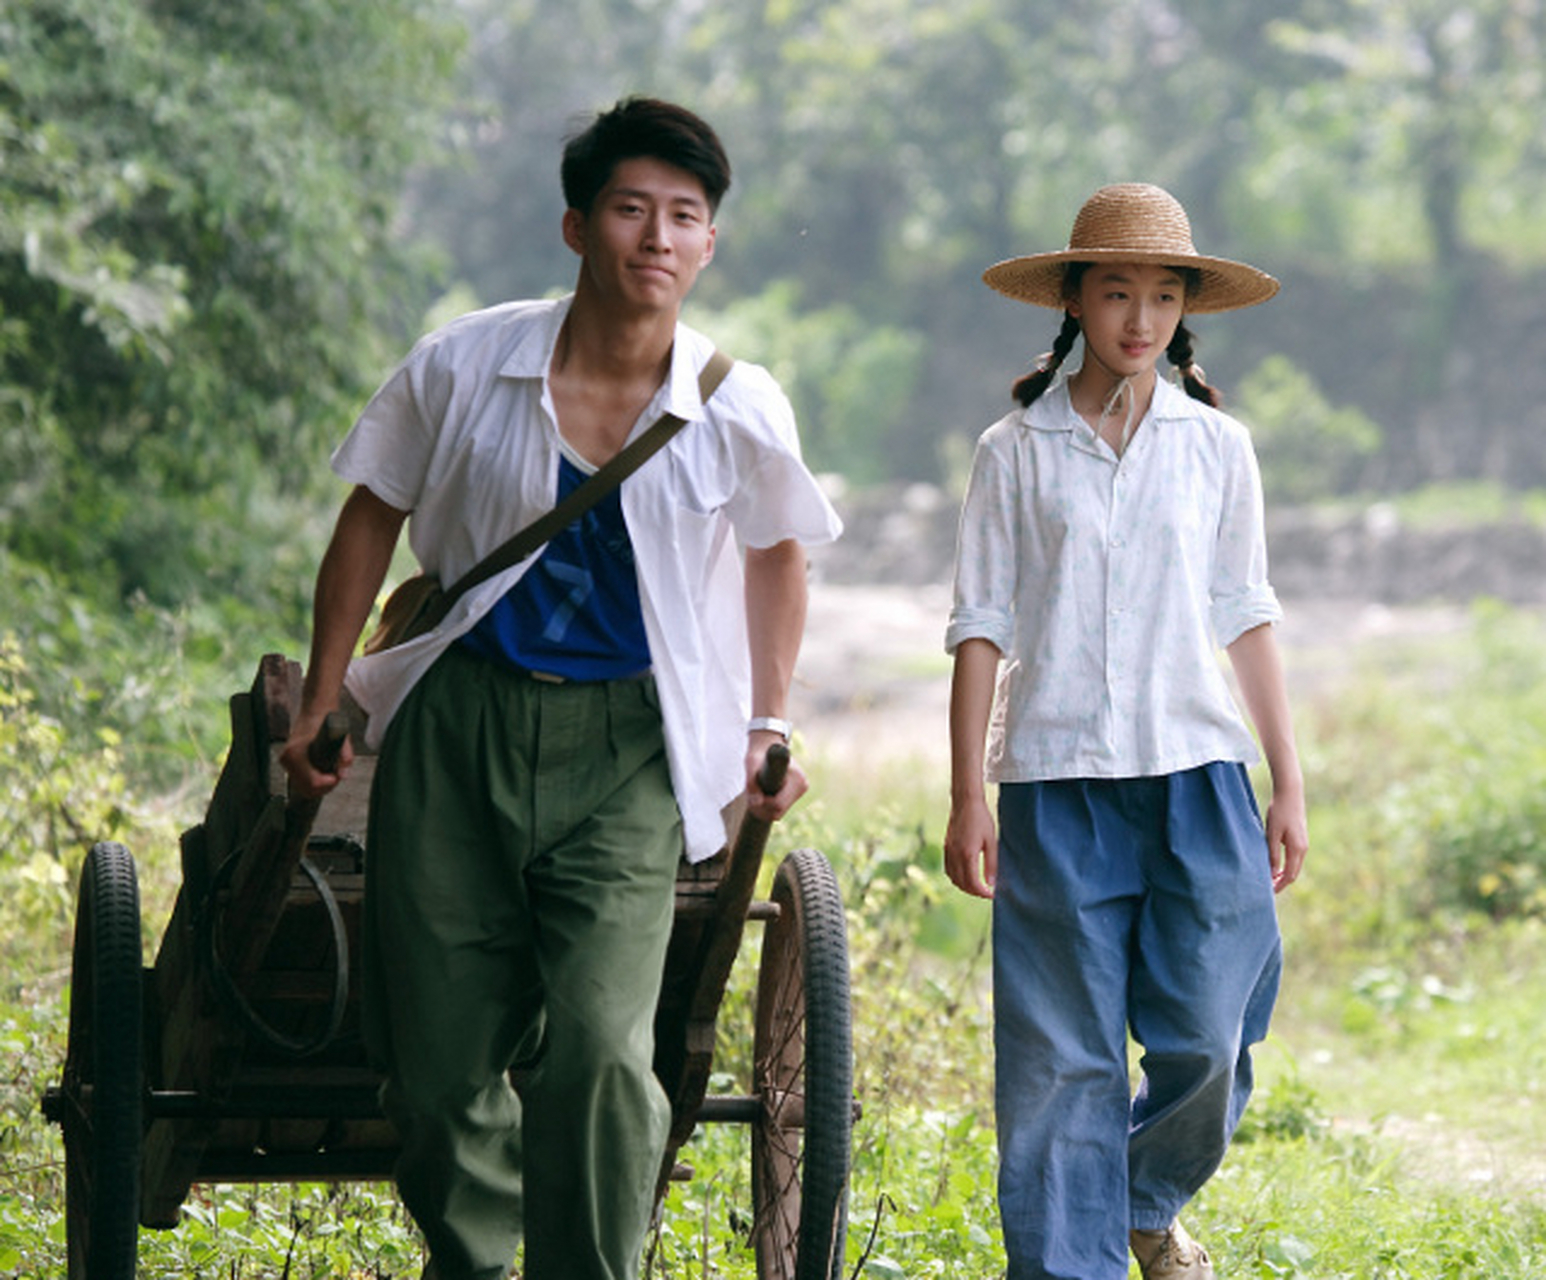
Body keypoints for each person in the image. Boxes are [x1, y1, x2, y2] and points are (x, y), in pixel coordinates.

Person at [279, 96, 841, 1280]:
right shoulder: (464, 363)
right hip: (457, 724)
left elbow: (777, 551)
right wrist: (324, 694)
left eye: (684, 217)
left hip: (629, 744)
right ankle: (478, 1263)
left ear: (709, 244)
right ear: (576, 227)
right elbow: (371, 511)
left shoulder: (737, 401)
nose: (658, 237)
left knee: (599, 1046)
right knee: (435, 1066)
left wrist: (767, 718)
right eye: (631, 209)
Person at [942, 183, 1309, 1280]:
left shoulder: (1215, 447)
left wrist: (1284, 777)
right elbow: (979, 627)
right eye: (1115, 292)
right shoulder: (1013, 450)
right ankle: (1072, 1262)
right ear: (1073, 300)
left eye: (1159, 295)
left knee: (1211, 1030)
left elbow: (1244, 610)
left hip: (1198, 774)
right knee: (1060, 1060)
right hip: (1055, 784)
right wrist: (967, 789)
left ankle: (1140, 1197)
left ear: (1185, 305)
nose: (1138, 319)